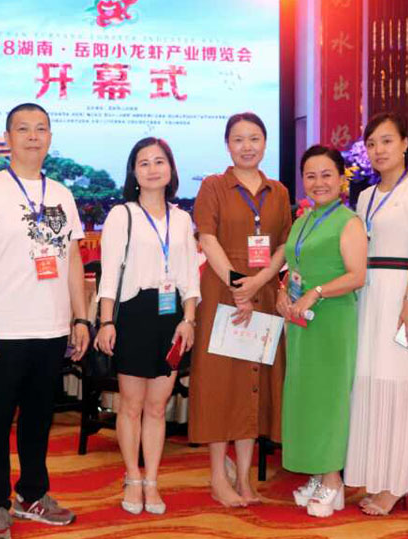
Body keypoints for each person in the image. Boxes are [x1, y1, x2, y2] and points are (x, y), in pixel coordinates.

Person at [0, 103, 89, 539]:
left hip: (50, 329)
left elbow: (72, 260)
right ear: (8, 138)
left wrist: (80, 318)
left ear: (50, 137)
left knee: (37, 421)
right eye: (23, 129)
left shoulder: (62, 194)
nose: (33, 136)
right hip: (2, 332)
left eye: (41, 129)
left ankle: (32, 494)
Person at [189, 112, 292, 507]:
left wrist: (260, 280)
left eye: (254, 138)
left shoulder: (278, 191)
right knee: (222, 386)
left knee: (253, 386)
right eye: (238, 139)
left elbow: (283, 245)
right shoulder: (214, 186)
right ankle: (218, 477)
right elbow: (207, 238)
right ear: (227, 145)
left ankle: (245, 479)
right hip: (223, 294)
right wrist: (237, 282)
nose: (247, 146)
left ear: (265, 143)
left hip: (261, 294)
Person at [95, 137, 200, 515]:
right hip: (133, 315)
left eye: (159, 161)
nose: (153, 168)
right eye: (144, 162)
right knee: (131, 405)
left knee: (157, 408)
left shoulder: (182, 219)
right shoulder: (122, 215)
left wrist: (189, 320)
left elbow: (190, 277)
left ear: (171, 169)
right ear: (133, 172)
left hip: (170, 318)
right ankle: (132, 477)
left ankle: (152, 480)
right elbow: (109, 275)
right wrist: (106, 321)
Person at [344, 112, 408, 515]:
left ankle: (397, 484)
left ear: (404, 144)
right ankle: (378, 475)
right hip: (370, 295)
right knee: (371, 382)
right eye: (372, 144)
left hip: (404, 297)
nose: (378, 150)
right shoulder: (365, 196)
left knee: (402, 385)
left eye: (386, 141)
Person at [277, 145, 367, 517]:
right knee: (307, 398)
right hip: (301, 322)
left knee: (329, 398)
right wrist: (283, 292)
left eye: (327, 174)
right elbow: (294, 265)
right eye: (311, 176)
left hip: (331, 320)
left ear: (341, 178)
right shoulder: (304, 219)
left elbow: (357, 276)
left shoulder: (348, 221)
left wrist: (316, 292)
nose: (319, 182)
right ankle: (317, 473)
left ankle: (333, 479)